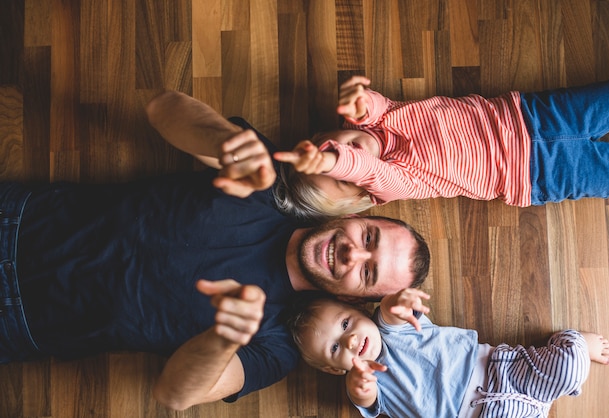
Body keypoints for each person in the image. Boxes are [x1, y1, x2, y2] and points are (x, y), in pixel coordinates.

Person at [0, 91, 430, 410]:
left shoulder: (275, 346)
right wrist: (224, 140)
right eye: (368, 238)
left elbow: (175, 395)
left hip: (18, 324)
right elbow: (162, 108)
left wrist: (224, 337)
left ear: (354, 297)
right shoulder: (266, 182)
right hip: (17, 218)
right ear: (357, 218)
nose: (352, 255)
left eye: (368, 273)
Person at [273, 76, 609, 220]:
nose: (340, 150)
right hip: (537, 174)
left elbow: (375, 107)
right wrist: (335, 161)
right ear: (360, 194)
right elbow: (368, 169)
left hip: (531, 115)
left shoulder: (379, 120)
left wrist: (359, 102)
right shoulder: (394, 183)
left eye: (327, 145)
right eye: (337, 172)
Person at [286, 289, 609, 418]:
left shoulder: (388, 329)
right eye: (335, 348)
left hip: (499, 371)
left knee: (569, 367)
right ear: (333, 369)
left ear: (358, 310)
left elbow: (392, 312)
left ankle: (572, 341)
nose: (351, 341)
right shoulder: (363, 383)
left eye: (345, 324)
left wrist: (392, 305)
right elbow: (367, 401)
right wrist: (361, 389)